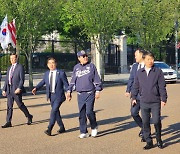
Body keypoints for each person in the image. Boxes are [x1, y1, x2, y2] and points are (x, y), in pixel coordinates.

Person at [131, 51, 167, 150]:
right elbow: (135, 86)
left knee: (156, 121)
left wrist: (163, 98)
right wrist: (133, 97)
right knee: (145, 123)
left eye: (152, 59)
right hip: (144, 101)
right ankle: (149, 141)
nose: (150, 61)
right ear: (144, 60)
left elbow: (162, 86)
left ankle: (159, 139)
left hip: (155, 101)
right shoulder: (139, 72)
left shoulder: (158, 71)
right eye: (148, 59)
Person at [66, 50, 103, 138]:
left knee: (89, 112)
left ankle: (94, 127)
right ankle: (83, 131)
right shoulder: (76, 68)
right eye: (83, 56)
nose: (85, 57)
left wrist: (98, 90)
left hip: (90, 93)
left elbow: (97, 79)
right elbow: (72, 80)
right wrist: (69, 91)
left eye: (86, 55)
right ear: (79, 58)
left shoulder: (91, 66)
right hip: (80, 94)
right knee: (81, 113)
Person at [32, 57, 69, 136]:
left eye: (53, 63)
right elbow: (43, 82)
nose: (51, 65)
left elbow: (66, 84)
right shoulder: (46, 73)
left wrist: (68, 92)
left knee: (54, 110)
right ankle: (62, 127)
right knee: (56, 112)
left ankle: (49, 128)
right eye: (49, 63)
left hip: (59, 96)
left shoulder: (61, 73)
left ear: (56, 64)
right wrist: (36, 88)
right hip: (51, 96)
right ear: (47, 65)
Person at [2, 53, 33, 128]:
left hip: (16, 89)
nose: (12, 60)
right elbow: (7, 79)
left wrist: (19, 88)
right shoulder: (9, 68)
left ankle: (28, 116)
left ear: (16, 59)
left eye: (13, 58)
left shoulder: (20, 67)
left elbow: (22, 79)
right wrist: (4, 89)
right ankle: (8, 121)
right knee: (9, 106)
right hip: (9, 89)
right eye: (11, 58)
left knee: (20, 105)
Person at [125, 49, 146, 139]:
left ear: (141, 55)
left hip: (145, 95)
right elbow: (131, 79)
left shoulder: (148, 65)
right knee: (134, 113)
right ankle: (144, 128)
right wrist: (128, 90)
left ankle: (146, 135)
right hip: (135, 94)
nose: (135, 57)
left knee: (145, 115)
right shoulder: (134, 66)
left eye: (136, 55)